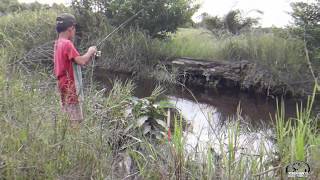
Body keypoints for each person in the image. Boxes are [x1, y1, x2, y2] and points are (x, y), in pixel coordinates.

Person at [54, 13, 97, 127]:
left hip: (62, 84)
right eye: (74, 28)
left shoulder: (58, 42)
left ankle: (66, 140)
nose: (74, 31)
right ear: (70, 28)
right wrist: (90, 51)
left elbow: (75, 61)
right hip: (70, 87)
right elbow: (81, 61)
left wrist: (89, 56)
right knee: (75, 122)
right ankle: (73, 143)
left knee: (67, 118)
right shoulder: (67, 44)